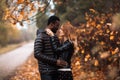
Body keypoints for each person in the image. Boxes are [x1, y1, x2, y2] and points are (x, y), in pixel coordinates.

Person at [34, 15, 73, 80]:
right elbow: (37, 54)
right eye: (57, 25)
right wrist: (55, 61)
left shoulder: (54, 37)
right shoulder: (40, 36)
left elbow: (57, 51)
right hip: (46, 72)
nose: (58, 28)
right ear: (51, 24)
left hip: (56, 71)